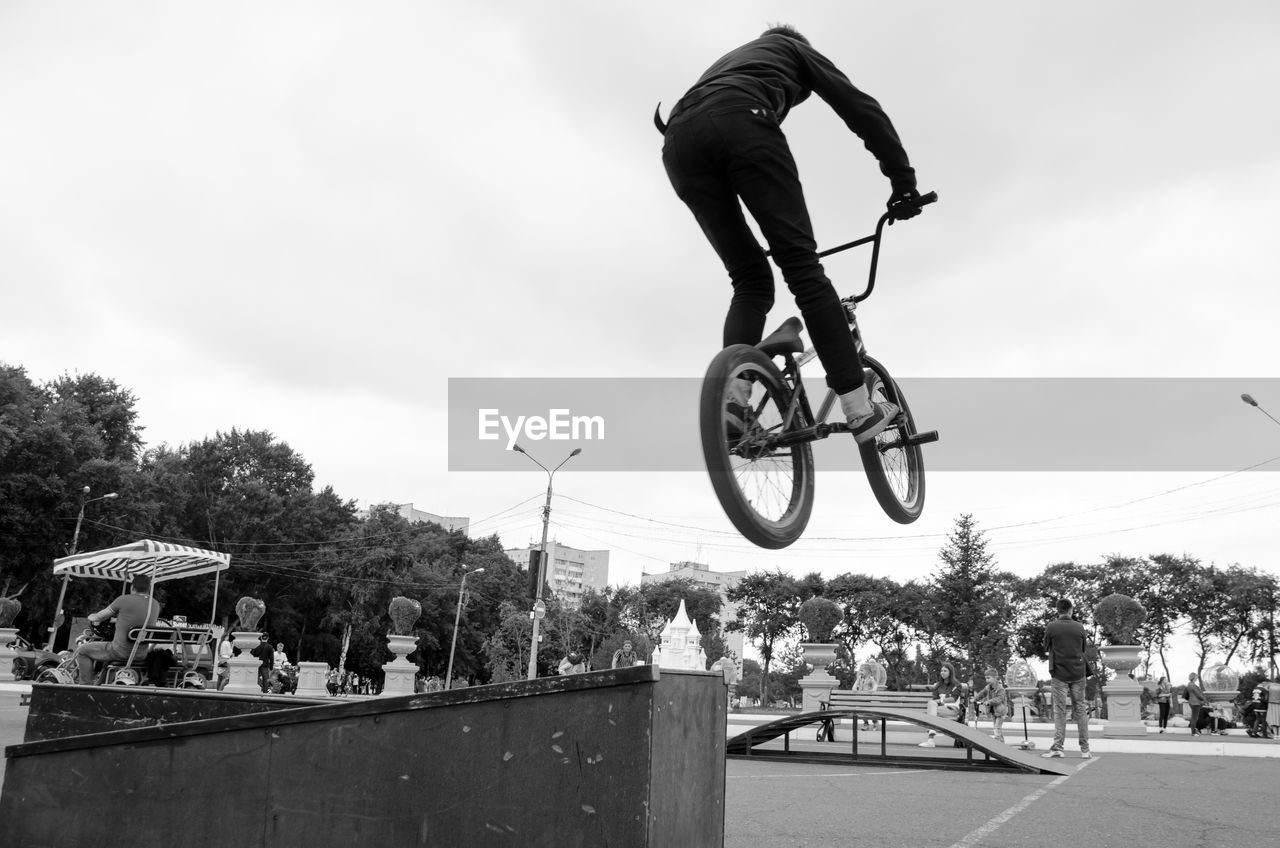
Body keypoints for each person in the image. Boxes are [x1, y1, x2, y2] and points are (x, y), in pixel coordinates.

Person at [658, 25, 925, 444]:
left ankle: (734, 401)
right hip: (740, 120)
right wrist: (902, 179)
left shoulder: (732, 62)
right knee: (802, 267)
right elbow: (859, 108)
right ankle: (859, 408)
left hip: (677, 143)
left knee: (750, 279)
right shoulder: (792, 48)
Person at [71, 573, 162, 685]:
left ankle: (85, 686)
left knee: (83, 651)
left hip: (120, 651)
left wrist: (90, 616)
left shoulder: (123, 600)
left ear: (132, 587)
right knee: (107, 660)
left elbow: (100, 616)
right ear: (149, 588)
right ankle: (100, 686)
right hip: (141, 654)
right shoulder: (155, 604)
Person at [1042, 598, 1092, 759]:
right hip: (1078, 672)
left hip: (1059, 673)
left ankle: (1058, 747)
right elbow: (1083, 648)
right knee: (1080, 710)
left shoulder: (1052, 626)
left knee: (1060, 710)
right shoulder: (1079, 627)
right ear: (1071, 610)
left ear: (1058, 610)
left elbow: (1046, 646)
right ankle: (1085, 749)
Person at [918, 661, 960, 748]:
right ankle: (931, 737)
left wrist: (940, 701)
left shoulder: (957, 684)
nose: (942, 673)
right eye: (941, 671)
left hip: (952, 709)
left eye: (945, 671)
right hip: (939, 710)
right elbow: (934, 700)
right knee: (931, 704)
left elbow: (953, 699)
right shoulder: (938, 685)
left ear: (950, 672)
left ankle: (931, 736)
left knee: (930, 713)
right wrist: (937, 702)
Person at [974, 667, 1009, 743]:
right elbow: (982, 693)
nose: (987, 680)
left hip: (1001, 711)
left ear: (995, 678)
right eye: (986, 678)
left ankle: (997, 741)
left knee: (997, 727)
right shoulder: (988, 687)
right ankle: (1001, 741)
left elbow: (999, 698)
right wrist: (975, 699)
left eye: (989, 678)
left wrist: (989, 701)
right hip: (994, 711)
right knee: (996, 727)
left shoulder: (1000, 689)